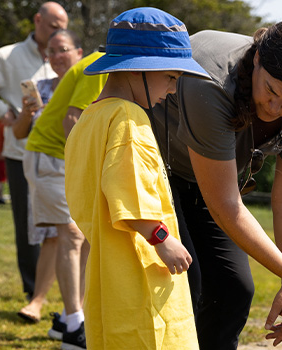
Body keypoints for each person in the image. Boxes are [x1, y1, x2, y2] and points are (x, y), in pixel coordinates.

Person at [150, 19, 282, 348]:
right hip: (154, 168)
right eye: (272, 91)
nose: (277, 108)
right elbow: (225, 204)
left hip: (212, 181)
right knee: (181, 281)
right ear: (258, 59)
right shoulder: (209, 79)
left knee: (233, 289)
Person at [64, 7, 213, 349]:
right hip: (141, 266)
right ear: (139, 69)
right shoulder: (128, 118)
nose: (173, 90)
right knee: (155, 336)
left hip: (107, 269)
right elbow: (127, 191)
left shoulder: (87, 120)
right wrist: (162, 238)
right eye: (171, 77)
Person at [0, 2, 69, 302]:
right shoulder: (9, 55)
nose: (59, 32)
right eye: (54, 25)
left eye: (63, 28)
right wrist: (3, 113)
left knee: (65, 226)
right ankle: (33, 290)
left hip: (62, 156)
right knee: (29, 225)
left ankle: (66, 290)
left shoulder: (64, 58)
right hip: (21, 153)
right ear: (37, 20)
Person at [14, 31, 105, 344]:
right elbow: (71, 120)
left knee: (84, 236)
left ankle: (68, 318)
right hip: (49, 156)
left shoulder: (96, 65)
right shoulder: (101, 66)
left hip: (63, 157)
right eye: (51, 51)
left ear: (77, 51)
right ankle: (74, 325)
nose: (56, 56)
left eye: (62, 50)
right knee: (70, 235)